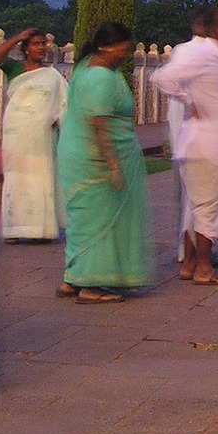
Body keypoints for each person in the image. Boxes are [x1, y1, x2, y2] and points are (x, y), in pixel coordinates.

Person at [55, 22, 152, 304]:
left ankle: (73, 279)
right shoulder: (100, 77)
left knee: (83, 218)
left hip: (78, 155)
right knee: (102, 220)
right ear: (105, 47)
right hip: (96, 159)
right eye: (123, 47)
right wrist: (113, 165)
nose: (126, 53)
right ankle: (92, 285)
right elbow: (99, 123)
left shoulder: (87, 67)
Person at [151, 3, 218, 286]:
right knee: (208, 210)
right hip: (207, 146)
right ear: (209, 29)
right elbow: (162, 78)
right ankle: (204, 268)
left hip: (216, 144)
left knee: (198, 208)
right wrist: (189, 99)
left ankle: (190, 264)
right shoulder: (202, 53)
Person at [0, 28, 67, 243]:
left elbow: (64, 104)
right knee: (16, 177)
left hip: (42, 136)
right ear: (25, 49)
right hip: (17, 133)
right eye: (35, 44)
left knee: (41, 177)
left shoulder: (52, 76)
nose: (41, 47)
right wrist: (17, 37)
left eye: (43, 43)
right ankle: (14, 229)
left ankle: (40, 231)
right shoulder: (15, 69)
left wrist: (56, 117)